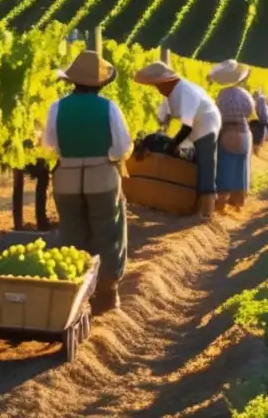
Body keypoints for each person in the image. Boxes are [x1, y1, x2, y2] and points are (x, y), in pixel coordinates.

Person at [41, 50, 132, 315]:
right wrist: (106, 156)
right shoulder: (109, 107)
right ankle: (107, 293)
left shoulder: (57, 106)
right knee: (107, 232)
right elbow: (122, 146)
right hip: (101, 176)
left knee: (72, 233)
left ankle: (74, 292)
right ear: (99, 82)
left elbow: (49, 144)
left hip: (66, 178)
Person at [135, 61, 221, 218]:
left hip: (207, 126)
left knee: (205, 167)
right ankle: (195, 207)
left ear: (167, 81)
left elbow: (186, 127)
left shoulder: (186, 92)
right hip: (196, 128)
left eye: (158, 85)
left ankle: (207, 213)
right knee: (194, 166)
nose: (158, 90)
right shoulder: (173, 94)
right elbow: (167, 120)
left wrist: (173, 145)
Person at [210, 60, 255, 211]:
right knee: (241, 167)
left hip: (227, 132)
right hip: (243, 132)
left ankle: (221, 202)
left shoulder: (221, 95)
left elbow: (217, 113)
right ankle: (238, 204)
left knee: (225, 166)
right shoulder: (245, 94)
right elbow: (250, 111)